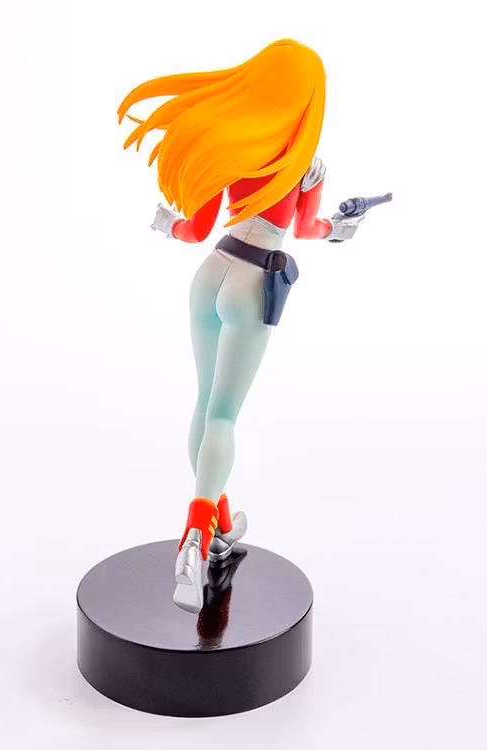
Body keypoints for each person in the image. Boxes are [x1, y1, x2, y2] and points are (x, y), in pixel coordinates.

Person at [118, 39, 362, 613]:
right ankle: (194, 540)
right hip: (253, 282)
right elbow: (306, 229)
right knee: (223, 416)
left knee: (206, 407)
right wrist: (338, 229)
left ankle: (221, 524)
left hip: (211, 272)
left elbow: (195, 229)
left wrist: (166, 225)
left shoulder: (231, 147)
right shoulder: (306, 164)